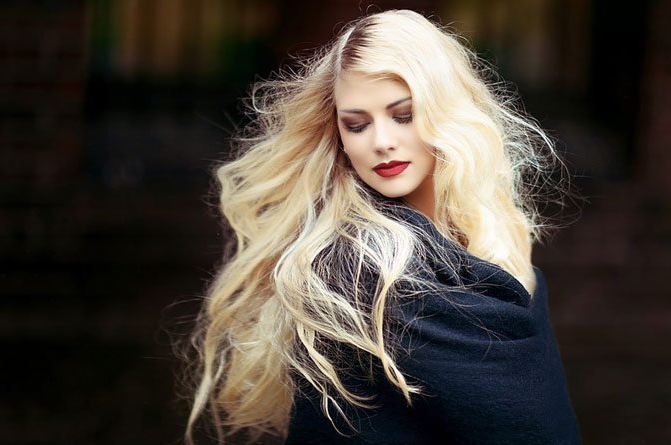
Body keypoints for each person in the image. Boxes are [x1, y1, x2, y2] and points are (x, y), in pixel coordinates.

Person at [184, 9, 580, 444]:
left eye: (403, 115)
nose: (381, 142)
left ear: (447, 113)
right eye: (356, 125)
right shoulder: (364, 267)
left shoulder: (491, 239)